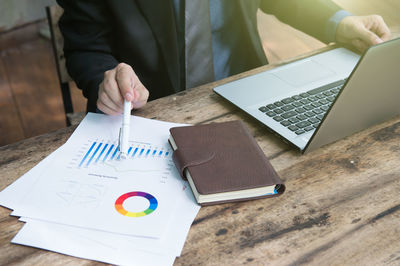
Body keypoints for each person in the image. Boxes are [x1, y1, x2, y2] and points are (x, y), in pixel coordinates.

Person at [57, 0, 391, 115]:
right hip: (147, 113)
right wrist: (106, 77)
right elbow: (85, 46)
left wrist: (340, 23)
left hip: (246, 99)